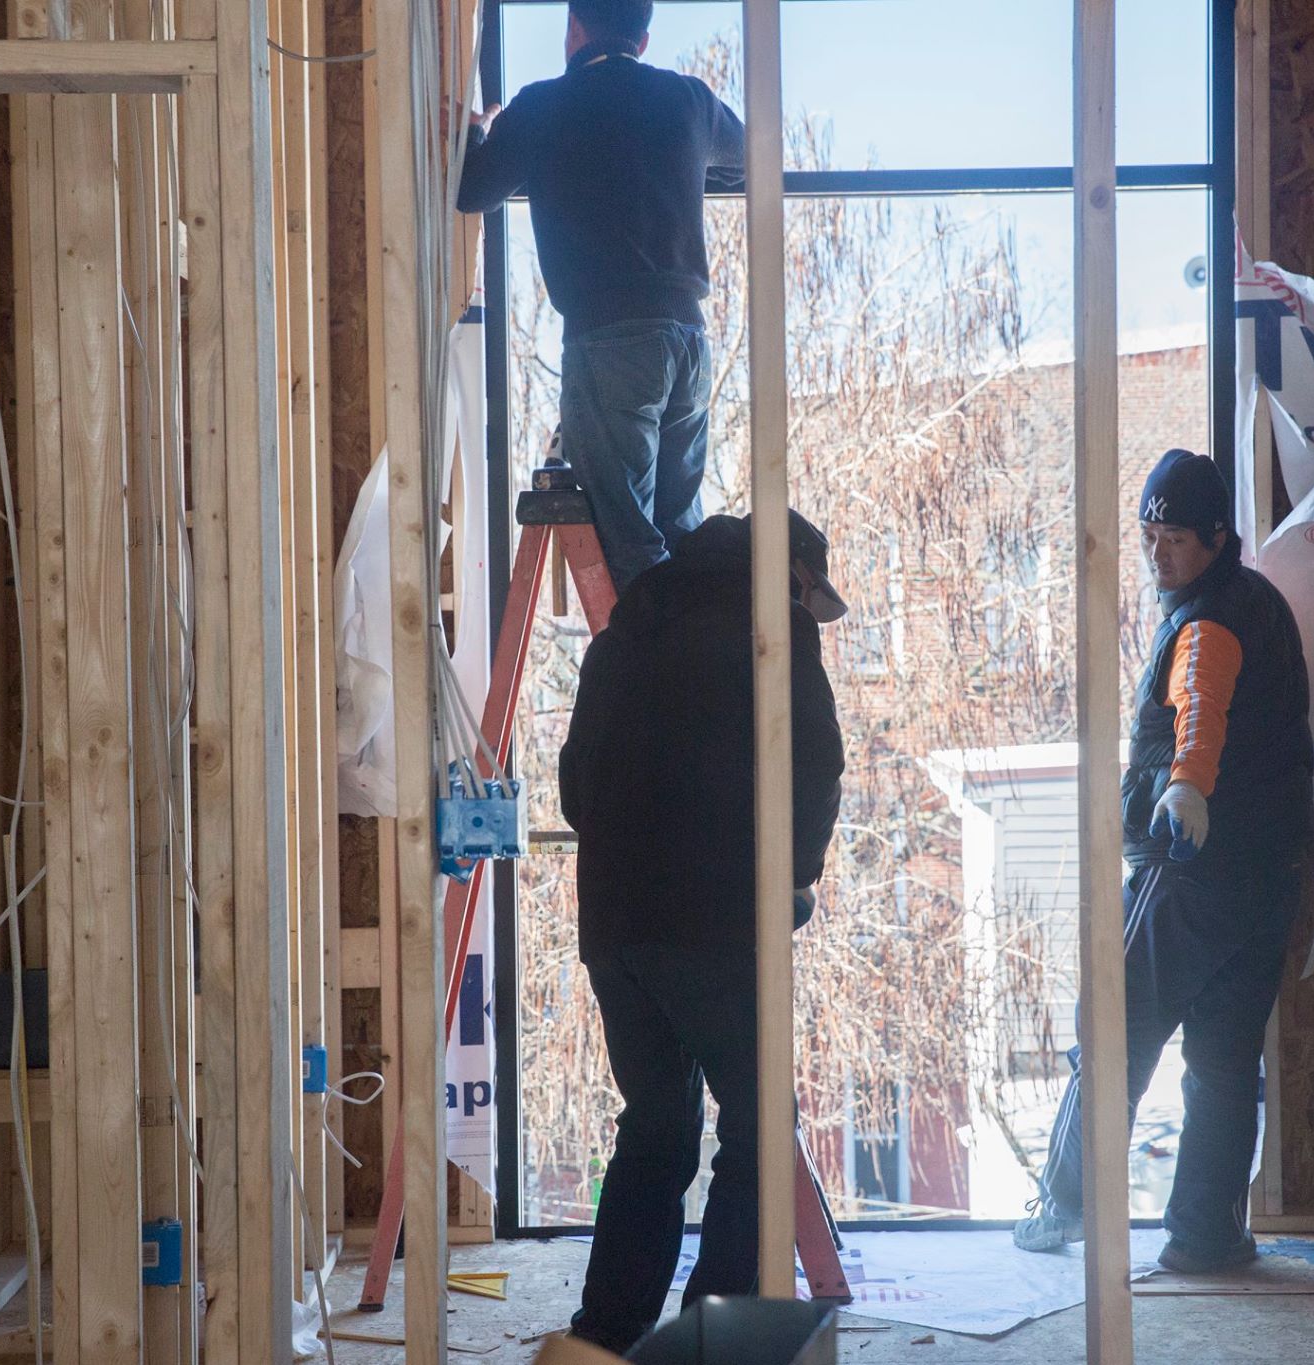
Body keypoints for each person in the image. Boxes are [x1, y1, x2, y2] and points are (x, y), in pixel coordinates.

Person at [1013, 448, 1312, 1274]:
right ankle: (1206, 1235)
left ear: (1216, 536)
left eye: (1174, 539)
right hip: (1265, 878)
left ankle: (1066, 1203)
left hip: (1189, 869)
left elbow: (1199, 710)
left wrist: (1185, 787)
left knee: (1115, 1031)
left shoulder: (1208, 622)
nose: (1158, 554)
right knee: (1222, 1060)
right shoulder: (1259, 603)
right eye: (1149, 537)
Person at [557, 510, 848, 1354]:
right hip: (712, 920)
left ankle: (605, 1335)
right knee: (758, 1129)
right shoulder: (774, 628)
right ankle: (710, 1342)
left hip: (615, 925)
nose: (808, 607)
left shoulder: (626, 628)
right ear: (792, 573)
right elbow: (816, 763)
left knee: (655, 1125)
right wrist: (793, 876)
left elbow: (575, 789)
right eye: (809, 592)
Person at [456, 0, 746, 589]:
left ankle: (652, 649)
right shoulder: (687, 99)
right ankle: (694, 644)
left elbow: (472, 191)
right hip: (688, 342)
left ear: (574, 28)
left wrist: (478, 129)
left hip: (611, 344)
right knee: (681, 531)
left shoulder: (542, 107)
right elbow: (748, 157)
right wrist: (684, 160)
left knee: (628, 545)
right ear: (643, 40)